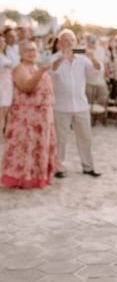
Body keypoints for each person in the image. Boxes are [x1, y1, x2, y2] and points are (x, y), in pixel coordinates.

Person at [1, 41, 57, 188]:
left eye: (33, 50)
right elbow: (27, 87)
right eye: (27, 50)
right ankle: (22, 178)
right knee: (26, 147)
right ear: (20, 53)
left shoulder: (36, 67)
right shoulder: (20, 68)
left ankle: (37, 177)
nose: (31, 53)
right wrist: (40, 72)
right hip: (26, 118)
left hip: (42, 117)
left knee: (38, 147)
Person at [51, 29, 102, 178]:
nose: (69, 43)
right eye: (66, 41)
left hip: (81, 105)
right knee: (61, 139)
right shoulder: (55, 58)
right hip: (61, 106)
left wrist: (94, 59)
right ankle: (59, 167)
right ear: (60, 43)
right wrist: (62, 58)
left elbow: (96, 72)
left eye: (72, 40)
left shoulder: (82, 59)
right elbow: (52, 72)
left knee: (86, 137)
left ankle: (88, 167)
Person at [84, 35, 109, 106]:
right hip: (88, 81)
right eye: (91, 42)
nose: (93, 43)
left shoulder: (101, 50)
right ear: (87, 42)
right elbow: (73, 51)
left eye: (94, 42)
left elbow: (103, 63)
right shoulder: (82, 50)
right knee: (89, 102)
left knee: (103, 100)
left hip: (100, 80)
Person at [0, 34, 13, 136]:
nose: (2, 43)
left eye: (3, 41)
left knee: (6, 111)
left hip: (8, 85)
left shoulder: (6, 55)